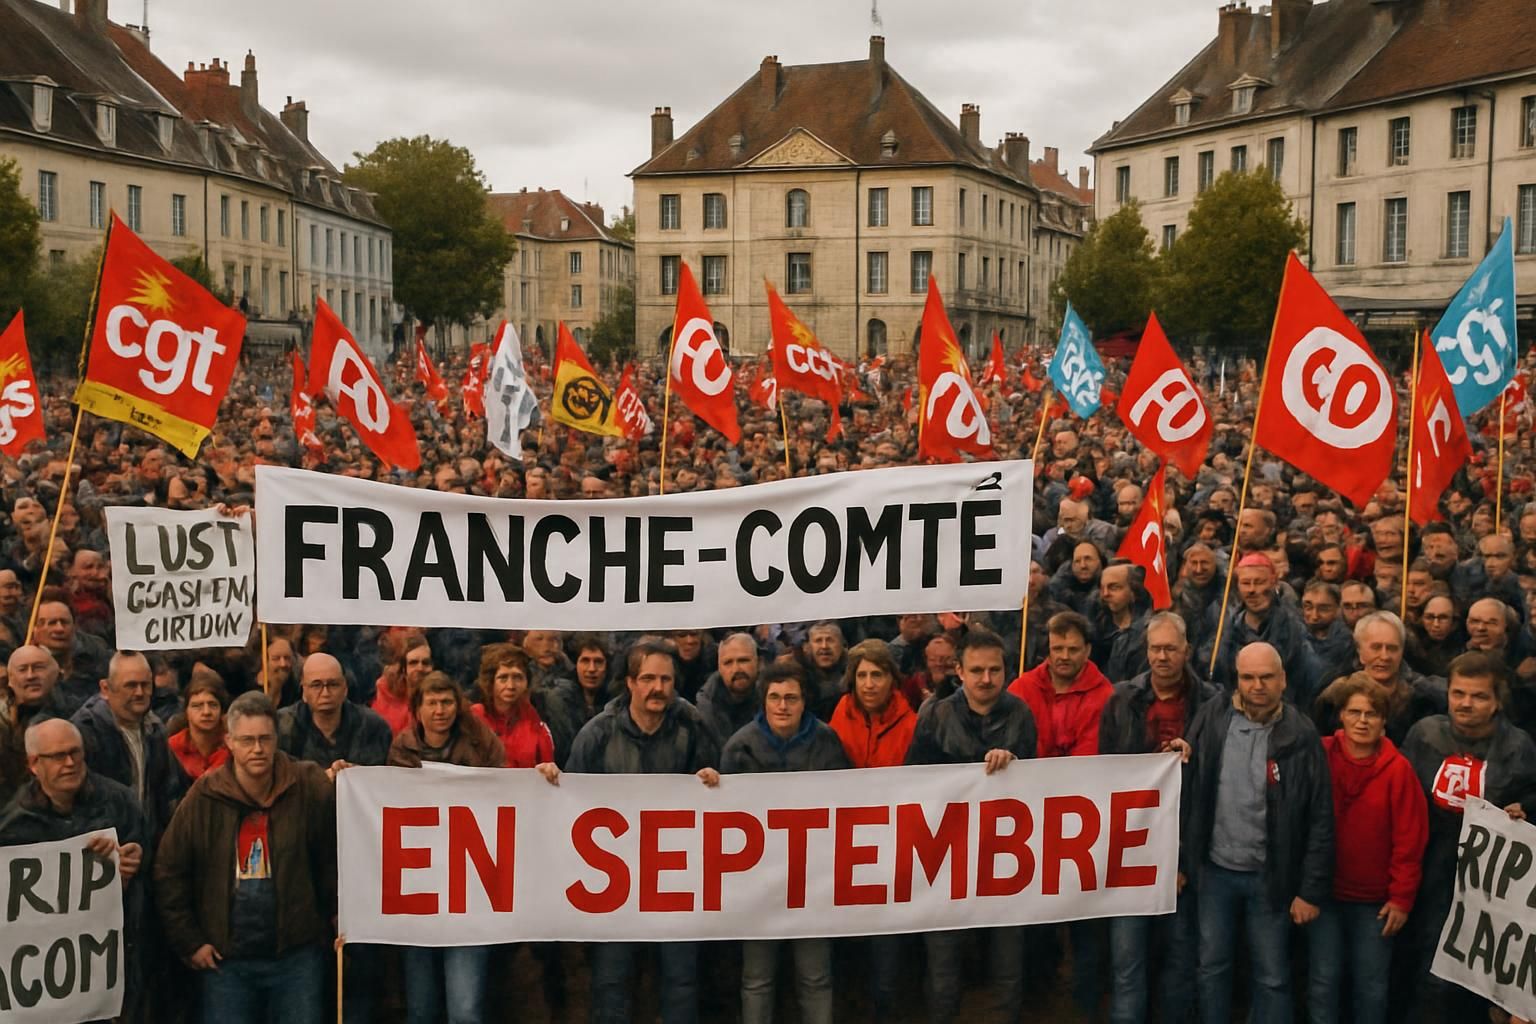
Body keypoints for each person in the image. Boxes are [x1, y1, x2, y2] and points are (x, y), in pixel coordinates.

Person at [539, 637, 721, 1024]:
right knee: (611, 980)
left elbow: (718, 793)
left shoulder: (692, 726)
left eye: (666, 680)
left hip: (674, 879)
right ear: (630, 683)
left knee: (681, 979)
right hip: (614, 884)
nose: (658, 688)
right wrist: (551, 781)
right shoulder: (597, 734)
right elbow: (570, 803)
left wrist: (712, 780)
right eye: (649, 678)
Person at [155, 692, 336, 1024]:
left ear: (276, 739)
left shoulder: (308, 783)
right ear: (229, 741)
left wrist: (349, 779)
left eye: (265, 739)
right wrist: (190, 941)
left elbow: (338, 852)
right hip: (228, 962)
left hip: (297, 955)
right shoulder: (204, 796)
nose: (257, 749)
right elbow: (170, 871)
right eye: (247, 740)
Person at [1183, 641, 1333, 1024]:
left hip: (1271, 877)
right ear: (1237, 680)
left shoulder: (1301, 735)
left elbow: (1319, 816)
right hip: (1214, 872)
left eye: (1266, 677)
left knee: (1272, 977)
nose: (1257, 685)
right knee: (1211, 967)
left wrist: (1310, 889)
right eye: (1248, 677)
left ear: (1283, 680)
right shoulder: (1211, 717)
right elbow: (1188, 792)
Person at [905, 629, 1037, 1024]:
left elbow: (1042, 786)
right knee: (944, 971)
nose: (985, 679)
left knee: (1008, 968)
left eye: (994, 670)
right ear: (959, 671)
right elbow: (913, 780)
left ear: (1005, 671)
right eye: (976, 670)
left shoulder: (1021, 714)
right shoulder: (936, 714)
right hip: (946, 860)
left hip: (1005, 860)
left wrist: (1013, 763)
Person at [1400, 652, 1536, 1022]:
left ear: (1496, 702)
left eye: (1478, 696)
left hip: (1487, 891)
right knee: (1428, 972)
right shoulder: (1424, 735)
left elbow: (1532, 799)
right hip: (1429, 877)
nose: (1465, 703)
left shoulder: (1519, 748)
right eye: (1458, 693)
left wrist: (1523, 810)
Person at [1099, 611, 1214, 1024]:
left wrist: (1194, 758)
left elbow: (1216, 781)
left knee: (1181, 962)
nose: (1161, 656)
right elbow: (1105, 772)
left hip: (1187, 851)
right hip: (1130, 854)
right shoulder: (1121, 699)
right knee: (1127, 964)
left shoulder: (1212, 703)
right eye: (1154, 648)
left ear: (1187, 650)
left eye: (1170, 648)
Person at [721, 661, 848, 1024]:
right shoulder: (739, 746)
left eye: (791, 697)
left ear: (804, 701)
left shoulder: (826, 741)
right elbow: (725, 819)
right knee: (757, 979)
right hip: (758, 882)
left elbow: (845, 803)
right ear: (763, 701)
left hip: (811, 881)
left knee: (816, 976)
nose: (782, 705)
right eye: (774, 697)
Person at [0, 718, 150, 1015]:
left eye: (75, 752)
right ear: (34, 764)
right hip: (43, 981)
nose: (70, 762)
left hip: (110, 972)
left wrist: (131, 864)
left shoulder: (120, 802)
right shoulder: (13, 825)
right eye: (58, 756)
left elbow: (151, 872)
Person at [1307, 675, 1428, 1024]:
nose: (1362, 720)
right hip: (1323, 895)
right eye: (1354, 712)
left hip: (1375, 903)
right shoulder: (1319, 753)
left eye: (1371, 713)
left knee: (1371, 987)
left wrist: (1401, 898)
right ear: (1341, 715)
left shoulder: (1399, 771)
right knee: (1322, 982)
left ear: (1384, 720)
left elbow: (1410, 840)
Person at [389, 673, 505, 1024]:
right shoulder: (401, 748)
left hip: (469, 892)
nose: (440, 710)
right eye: (432, 703)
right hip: (419, 893)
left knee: (466, 1010)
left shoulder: (481, 743)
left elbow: (508, 792)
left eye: (447, 702)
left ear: (458, 705)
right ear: (417, 709)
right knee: (421, 1009)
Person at [72, 650, 180, 847]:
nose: (139, 692)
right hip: (102, 851)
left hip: (146, 849)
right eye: (130, 685)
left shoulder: (155, 730)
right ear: (105, 688)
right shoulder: (84, 733)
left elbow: (165, 793)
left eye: (145, 685)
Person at [1200, 553, 1321, 703]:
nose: (1252, 590)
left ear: (1274, 583)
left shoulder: (1294, 628)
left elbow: (1309, 678)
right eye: (1246, 583)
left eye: (1259, 582)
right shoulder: (1225, 629)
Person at [1312, 611, 1446, 744]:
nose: (1384, 656)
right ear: (1360, 651)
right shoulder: (1333, 696)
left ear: (1402, 651)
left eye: (1392, 648)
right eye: (1376, 648)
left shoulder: (1425, 698)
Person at [1009, 610, 1112, 758]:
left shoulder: (1105, 694)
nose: (1065, 656)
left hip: (1083, 777)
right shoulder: (1021, 688)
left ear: (1087, 650)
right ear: (1047, 650)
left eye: (1073, 650)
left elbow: (1089, 754)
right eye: (1058, 649)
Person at [278, 652, 393, 769]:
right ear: (304, 691)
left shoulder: (373, 726)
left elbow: (381, 777)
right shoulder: (282, 726)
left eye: (333, 684)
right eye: (316, 685)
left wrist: (355, 773)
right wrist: (319, 779)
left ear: (345, 688)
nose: (325, 693)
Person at [829, 639, 917, 769]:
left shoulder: (911, 726)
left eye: (877, 675)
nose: (869, 685)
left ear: (892, 679)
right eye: (862, 676)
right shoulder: (842, 711)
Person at [469, 643, 554, 768]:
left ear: (526, 682)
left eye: (517, 677)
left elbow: (548, 766)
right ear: (490, 681)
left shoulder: (536, 722)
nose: (511, 686)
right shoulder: (473, 718)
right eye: (503, 678)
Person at [696, 632, 761, 747]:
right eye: (728, 663)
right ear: (719, 668)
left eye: (743, 660)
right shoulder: (704, 713)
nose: (736, 669)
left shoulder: (776, 701)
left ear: (758, 663)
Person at [168, 675, 230, 779]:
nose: (206, 712)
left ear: (222, 711)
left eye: (213, 705)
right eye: (197, 706)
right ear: (186, 711)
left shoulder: (233, 746)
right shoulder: (172, 747)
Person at [372, 632, 432, 735]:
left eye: (425, 663)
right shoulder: (386, 699)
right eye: (413, 663)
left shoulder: (442, 691)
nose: (420, 668)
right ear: (403, 668)